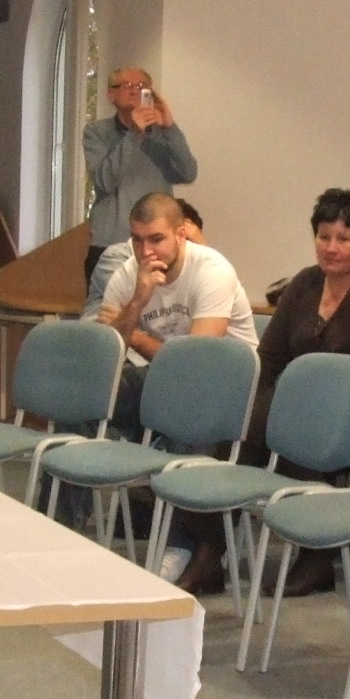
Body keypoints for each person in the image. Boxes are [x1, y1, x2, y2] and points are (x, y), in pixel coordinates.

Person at [250, 188, 350, 596]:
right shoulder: (305, 282)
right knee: (241, 425)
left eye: (344, 238)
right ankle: (210, 549)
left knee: (289, 434)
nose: (331, 247)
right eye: (324, 237)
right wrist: (260, 401)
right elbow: (270, 356)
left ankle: (317, 553)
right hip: (304, 405)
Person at [96, 192, 258, 590]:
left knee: (183, 415)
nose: (146, 251)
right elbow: (106, 352)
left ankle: (181, 546)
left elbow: (197, 361)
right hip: (167, 382)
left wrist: (136, 336)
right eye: (137, 240)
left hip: (227, 389)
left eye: (156, 239)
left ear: (181, 235)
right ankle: (58, 526)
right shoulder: (129, 275)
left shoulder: (212, 270)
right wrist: (137, 301)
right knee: (97, 395)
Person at [82, 67, 196, 312]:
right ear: (111, 95)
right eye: (127, 86)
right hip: (111, 244)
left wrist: (170, 127)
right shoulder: (96, 133)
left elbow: (188, 173)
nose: (135, 91)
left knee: (156, 317)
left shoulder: (162, 134)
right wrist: (134, 134)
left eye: (142, 86)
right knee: (110, 319)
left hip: (157, 246)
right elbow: (104, 180)